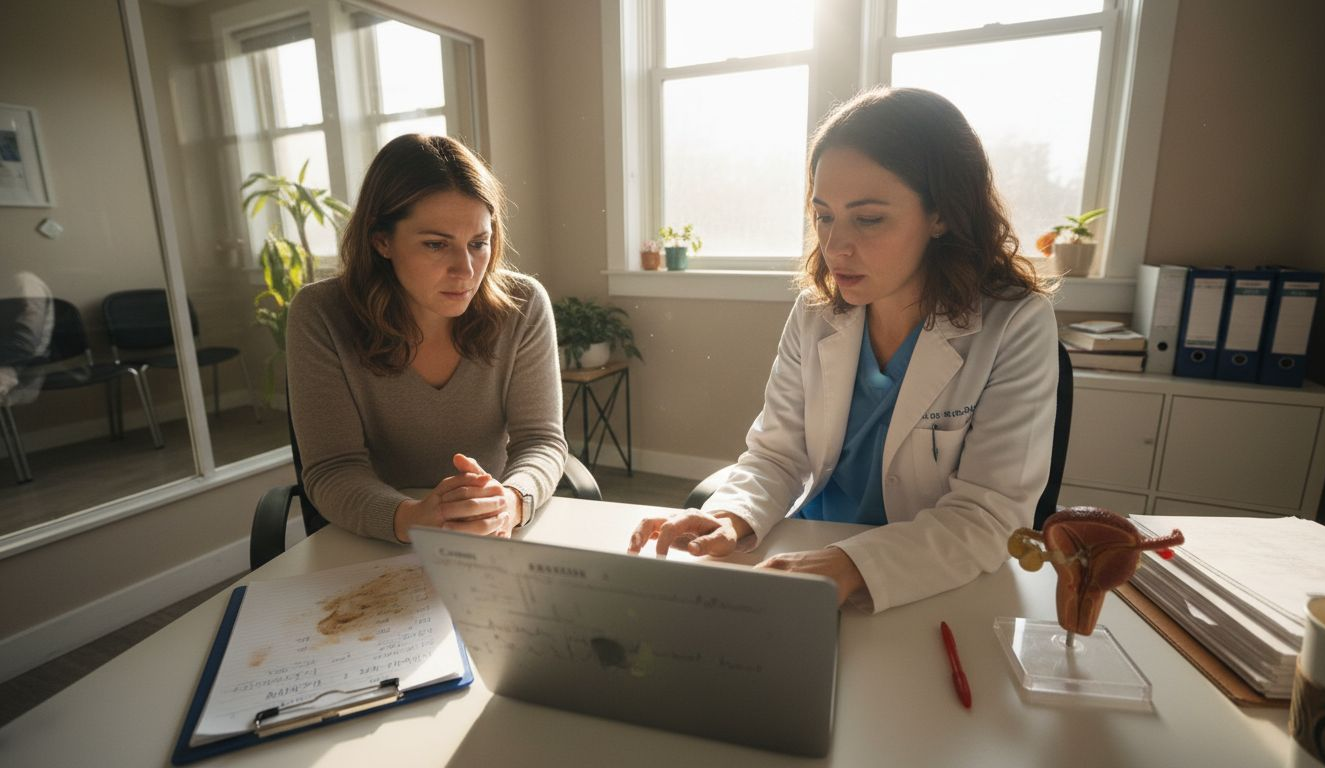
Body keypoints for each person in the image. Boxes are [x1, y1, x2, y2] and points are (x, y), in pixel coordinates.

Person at [629, 88, 1058, 612]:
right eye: (824, 216)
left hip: (926, 577)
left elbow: (988, 515)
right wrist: (731, 516)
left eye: (869, 219)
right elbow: (778, 455)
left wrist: (853, 564)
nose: (834, 248)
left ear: (942, 214)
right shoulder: (818, 313)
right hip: (804, 555)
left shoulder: (1013, 323)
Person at [287, 134, 567, 544]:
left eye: (478, 243)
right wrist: (413, 517)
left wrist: (512, 501)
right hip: (376, 540)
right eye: (436, 245)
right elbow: (333, 469)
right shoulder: (321, 315)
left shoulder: (523, 305)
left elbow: (541, 440)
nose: (466, 270)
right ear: (380, 240)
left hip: (492, 535)